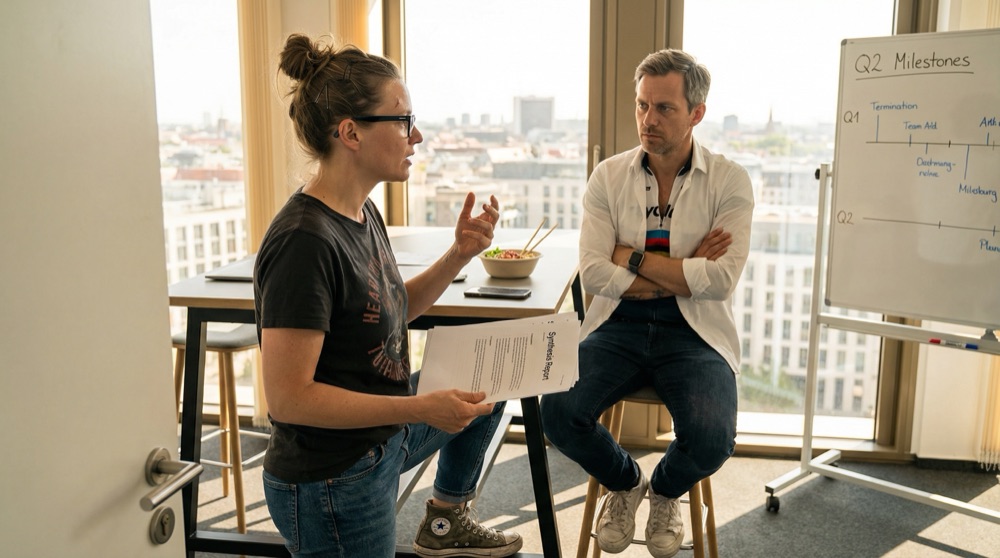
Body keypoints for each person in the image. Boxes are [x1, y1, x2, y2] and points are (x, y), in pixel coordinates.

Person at [253, 34, 522, 558]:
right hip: (333, 479)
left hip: (381, 437)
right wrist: (423, 408)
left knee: (487, 381)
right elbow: (289, 398)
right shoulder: (303, 242)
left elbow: (392, 309)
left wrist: (458, 255)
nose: (416, 135)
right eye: (402, 121)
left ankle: (445, 518)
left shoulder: (359, 212)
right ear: (350, 132)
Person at [540, 49, 753, 558]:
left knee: (711, 438)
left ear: (696, 113)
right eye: (642, 106)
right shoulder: (608, 177)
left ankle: (664, 492)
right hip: (617, 323)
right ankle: (628, 482)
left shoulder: (729, 181)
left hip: (695, 329)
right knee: (558, 411)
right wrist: (683, 272)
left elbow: (719, 281)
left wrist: (630, 258)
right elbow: (594, 273)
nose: (647, 120)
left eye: (664, 108)